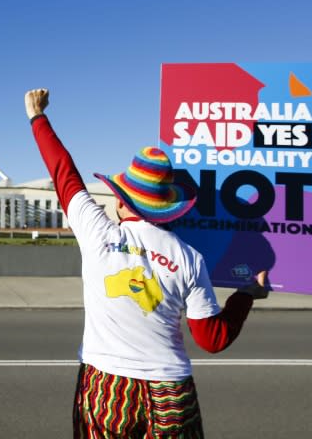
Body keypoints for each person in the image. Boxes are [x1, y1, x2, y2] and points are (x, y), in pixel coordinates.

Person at [23, 88, 269, 438]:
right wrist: (246, 294)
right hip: (170, 392)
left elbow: (64, 173)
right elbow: (212, 339)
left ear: (124, 201)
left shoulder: (97, 233)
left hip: (106, 386)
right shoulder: (189, 258)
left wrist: (37, 116)